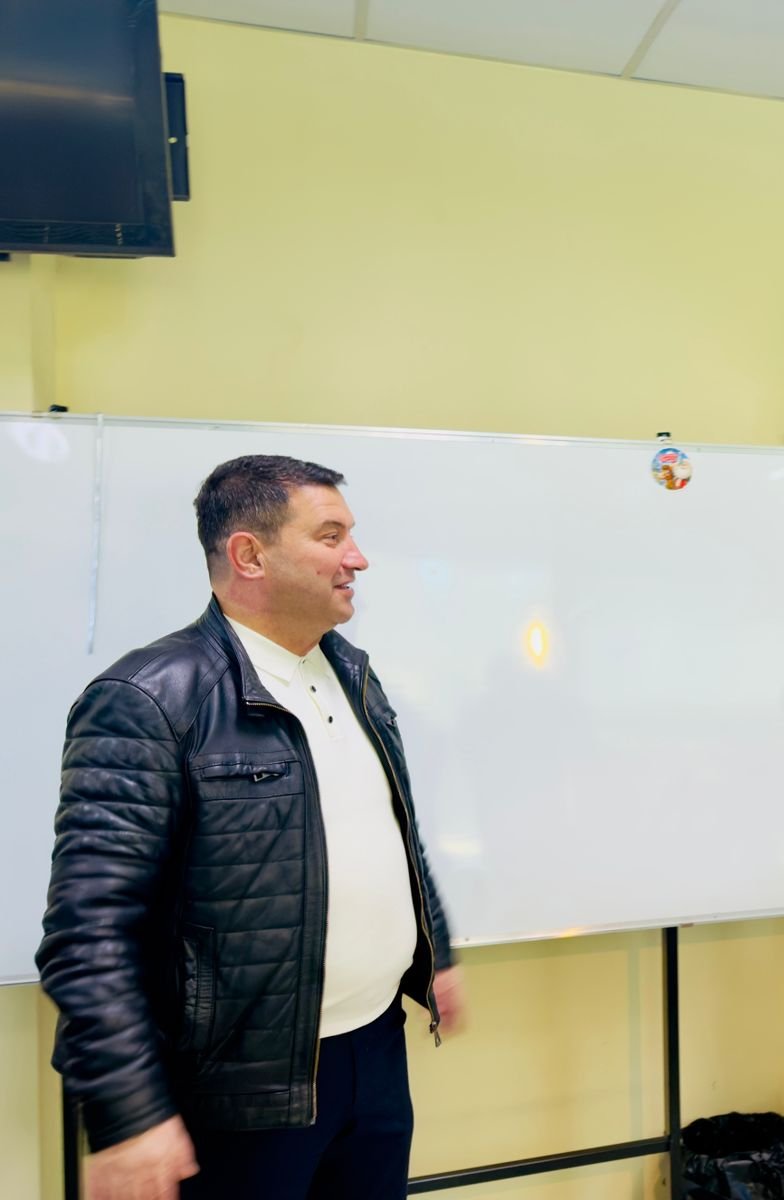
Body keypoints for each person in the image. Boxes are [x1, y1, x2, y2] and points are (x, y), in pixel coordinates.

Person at [38, 455, 465, 1200]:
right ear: (249, 554)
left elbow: (396, 832)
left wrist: (439, 954)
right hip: (238, 1091)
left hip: (375, 1054)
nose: (357, 558)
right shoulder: (148, 698)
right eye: (330, 536)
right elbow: (89, 932)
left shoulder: (354, 674)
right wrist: (128, 1113)